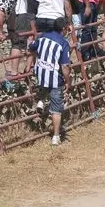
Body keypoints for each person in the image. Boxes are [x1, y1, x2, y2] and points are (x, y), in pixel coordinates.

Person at [27, 17, 73, 146]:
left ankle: (41, 101)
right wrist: (67, 80)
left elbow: (31, 47)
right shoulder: (63, 43)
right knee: (56, 109)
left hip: (40, 74)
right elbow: (64, 66)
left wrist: (37, 57)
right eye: (67, 28)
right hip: (55, 79)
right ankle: (56, 136)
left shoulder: (42, 37)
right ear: (63, 29)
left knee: (44, 83)